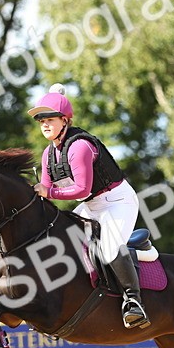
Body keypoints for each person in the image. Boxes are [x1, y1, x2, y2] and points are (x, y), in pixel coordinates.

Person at [28, 84, 149, 329]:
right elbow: (46, 191)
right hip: (91, 206)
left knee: (109, 247)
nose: (44, 124)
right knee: (59, 239)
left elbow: (80, 189)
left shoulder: (79, 146)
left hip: (117, 202)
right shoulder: (48, 154)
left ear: (65, 120)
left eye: (49, 119)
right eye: (41, 120)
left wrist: (47, 191)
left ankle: (133, 301)